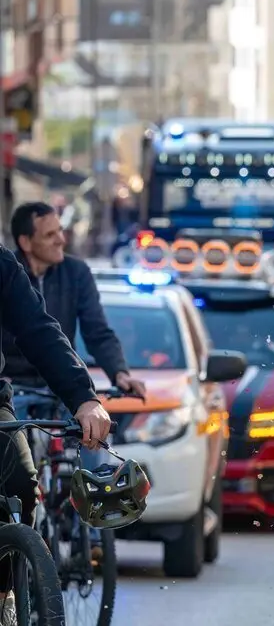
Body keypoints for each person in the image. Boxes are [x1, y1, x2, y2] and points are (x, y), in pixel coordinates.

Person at [0, 241, 111, 609]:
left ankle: (4, 595)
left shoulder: (3, 265)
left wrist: (84, 398)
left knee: (20, 486)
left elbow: (39, 330)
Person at [3, 202, 146, 399]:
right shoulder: (7, 273)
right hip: (11, 386)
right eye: (49, 235)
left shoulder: (76, 272)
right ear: (25, 242)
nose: (61, 240)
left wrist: (119, 373)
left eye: (60, 231)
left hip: (61, 383)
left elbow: (97, 331)